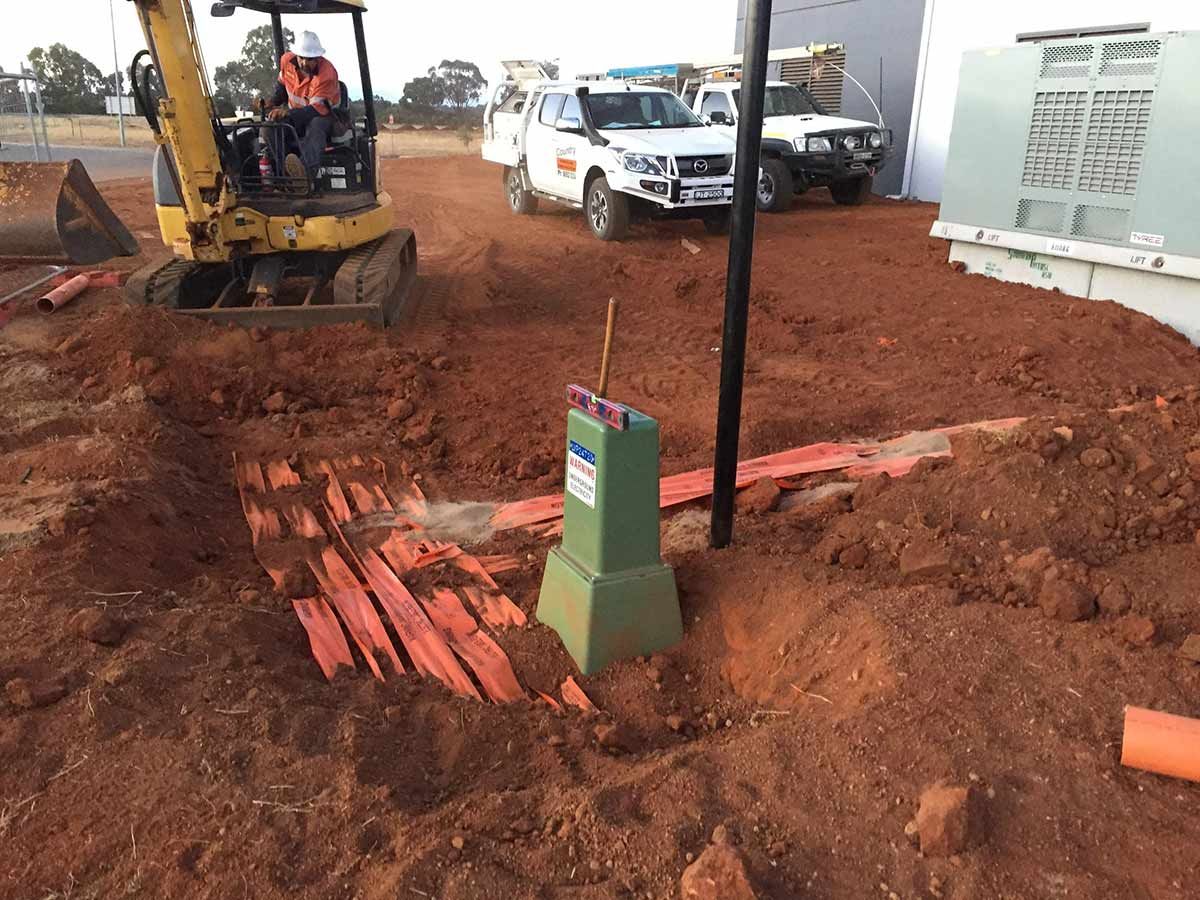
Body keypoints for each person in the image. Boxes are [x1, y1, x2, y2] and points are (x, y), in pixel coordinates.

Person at [263, 31, 341, 181]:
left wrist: (287, 113)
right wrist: (272, 102)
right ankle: (285, 175)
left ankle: (305, 177)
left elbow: (314, 111)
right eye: (302, 58)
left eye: (310, 59)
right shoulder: (286, 61)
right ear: (296, 55)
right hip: (296, 114)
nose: (305, 63)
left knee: (316, 126)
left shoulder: (327, 75)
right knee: (268, 128)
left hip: (324, 116)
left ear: (318, 57)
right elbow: (282, 86)